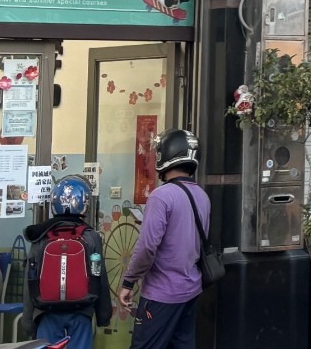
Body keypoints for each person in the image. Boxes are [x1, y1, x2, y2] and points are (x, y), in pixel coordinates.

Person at [120, 128, 211, 349]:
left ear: (166, 155)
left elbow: (147, 246)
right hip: (190, 291)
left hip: (161, 295)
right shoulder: (202, 196)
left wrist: (129, 281)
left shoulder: (161, 196)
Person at [23, 177, 112, 349]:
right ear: (84, 203)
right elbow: (100, 277)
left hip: (46, 310)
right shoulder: (91, 237)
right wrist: (103, 315)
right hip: (82, 309)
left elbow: (30, 278)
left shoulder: (40, 236)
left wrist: (28, 322)